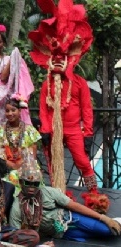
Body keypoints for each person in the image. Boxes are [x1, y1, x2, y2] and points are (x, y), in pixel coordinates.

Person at [29, 0, 108, 211]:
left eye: (61, 57)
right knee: (54, 163)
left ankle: (94, 195)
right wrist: (45, 130)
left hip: (73, 129)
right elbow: (45, 110)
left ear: (69, 59)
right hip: (54, 130)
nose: (56, 61)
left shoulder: (79, 83)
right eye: (53, 57)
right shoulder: (47, 84)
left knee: (82, 161)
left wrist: (88, 133)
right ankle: (58, 192)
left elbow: (86, 110)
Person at [9, 164, 121, 243]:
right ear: (20, 182)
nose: (32, 188)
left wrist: (103, 218)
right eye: (27, 183)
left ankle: (115, 221)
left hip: (71, 218)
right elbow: (16, 235)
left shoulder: (48, 192)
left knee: (106, 230)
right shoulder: (17, 207)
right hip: (60, 232)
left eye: (35, 184)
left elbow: (74, 205)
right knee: (104, 234)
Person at [0, 23, 34, 133]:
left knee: (3, 129)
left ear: (3, 43)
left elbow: (3, 77)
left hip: (3, 99)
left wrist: (13, 57)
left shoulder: (8, 59)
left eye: (0, 42)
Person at [0, 95, 41, 191]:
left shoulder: (30, 130)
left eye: (13, 110)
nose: (10, 113)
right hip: (5, 168)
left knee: (24, 178)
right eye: (7, 111)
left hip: (27, 167)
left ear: (20, 111)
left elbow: (32, 156)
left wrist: (20, 165)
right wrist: (12, 165)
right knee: (9, 178)